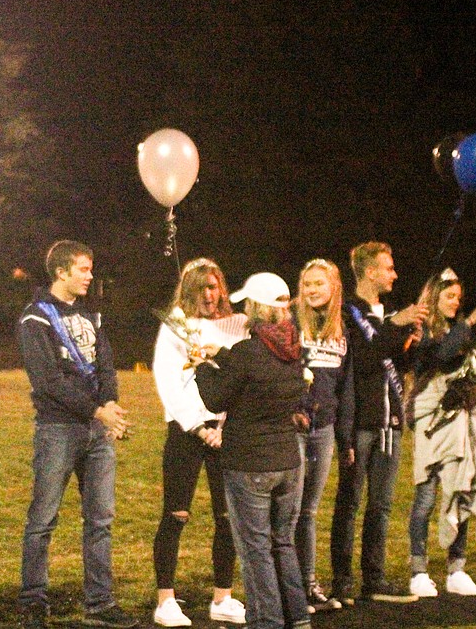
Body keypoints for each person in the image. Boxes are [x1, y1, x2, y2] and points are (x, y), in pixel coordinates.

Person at [16, 240, 138, 629]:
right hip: (57, 428)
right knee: (44, 517)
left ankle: (100, 602)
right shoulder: (35, 318)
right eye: (83, 269)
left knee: (101, 518)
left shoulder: (91, 314)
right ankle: (33, 599)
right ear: (61, 272)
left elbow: (106, 365)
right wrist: (97, 410)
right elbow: (48, 380)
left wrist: (111, 406)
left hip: (95, 428)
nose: (89, 276)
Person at [195, 272, 310, 629]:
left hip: (250, 464)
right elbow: (257, 369)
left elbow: (215, 398)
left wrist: (201, 366)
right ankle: (298, 618)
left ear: (257, 307)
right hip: (289, 462)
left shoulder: (247, 353)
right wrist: (225, 355)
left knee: (256, 549)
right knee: (283, 544)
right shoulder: (294, 350)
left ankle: (268, 621)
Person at [150, 258, 249, 627]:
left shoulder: (238, 325)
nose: (208, 295)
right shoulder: (176, 325)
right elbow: (168, 381)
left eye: (213, 286)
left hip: (226, 432)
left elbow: (241, 376)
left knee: (228, 517)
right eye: (200, 288)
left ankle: (222, 597)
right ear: (188, 291)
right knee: (177, 514)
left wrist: (224, 424)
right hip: (186, 430)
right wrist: (198, 425)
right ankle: (166, 601)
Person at [329, 241, 426, 603]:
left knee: (381, 506)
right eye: (388, 267)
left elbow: (394, 365)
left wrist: (411, 340)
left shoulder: (385, 315)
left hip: (390, 424)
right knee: (350, 503)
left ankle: (375, 578)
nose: (394, 274)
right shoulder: (348, 312)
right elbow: (367, 359)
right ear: (370, 272)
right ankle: (342, 581)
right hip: (361, 424)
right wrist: (397, 325)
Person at [405, 269, 476, 598]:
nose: (455, 302)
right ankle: (418, 571)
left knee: (461, 489)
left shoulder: (458, 329)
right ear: (433, 298)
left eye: (458, 298)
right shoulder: (421, 329)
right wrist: (470, 320)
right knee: (426, 495)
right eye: (449, 296)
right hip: (431, 417)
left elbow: (474, 369)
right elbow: (441, 355)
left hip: (458, 416)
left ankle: (456, 569)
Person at [291, 259, 353, 613]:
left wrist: (344, 438)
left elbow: (345, 388)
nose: (313, 289)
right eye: (308, 284)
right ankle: (290, 586)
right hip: (295, 428)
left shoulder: (341, 329)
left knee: (309, 511)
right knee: (292, 509)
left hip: (324, 430)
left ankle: (308, 583)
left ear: (333, 288)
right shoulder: (290, 323)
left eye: (319, 283)